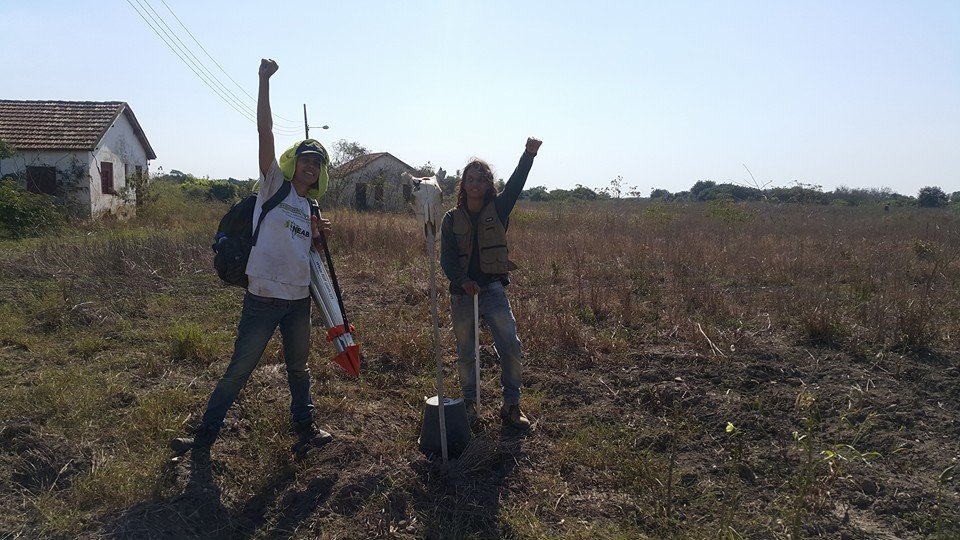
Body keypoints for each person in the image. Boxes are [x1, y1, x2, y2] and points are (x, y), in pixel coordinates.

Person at [171, 59, 333, 454]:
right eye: (307, 159)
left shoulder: (310, 208)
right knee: (239, 370)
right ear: (296, 162)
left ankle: (306, 428)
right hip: (262, 297)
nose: (311, 166)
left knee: (299, 368)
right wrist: (263, 81)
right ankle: (204, 437)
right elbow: (266, 130)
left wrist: (317, 238)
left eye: (318, 162)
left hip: (298, 301)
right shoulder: (273, 184)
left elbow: (307, 256)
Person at [439, 137, 542, 431]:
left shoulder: (499, 208)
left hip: (493, 290)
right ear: (463, 184)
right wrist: (463, 281)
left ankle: (511, 406)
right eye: (469, 179)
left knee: (510, 346)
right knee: (466, 353)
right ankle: (470, 405)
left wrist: (528, 155)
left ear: (487, 184)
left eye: (480, 179)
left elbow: (516, 184)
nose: (474, 184)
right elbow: (446, 260)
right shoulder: (450, 219)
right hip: (462, 295)